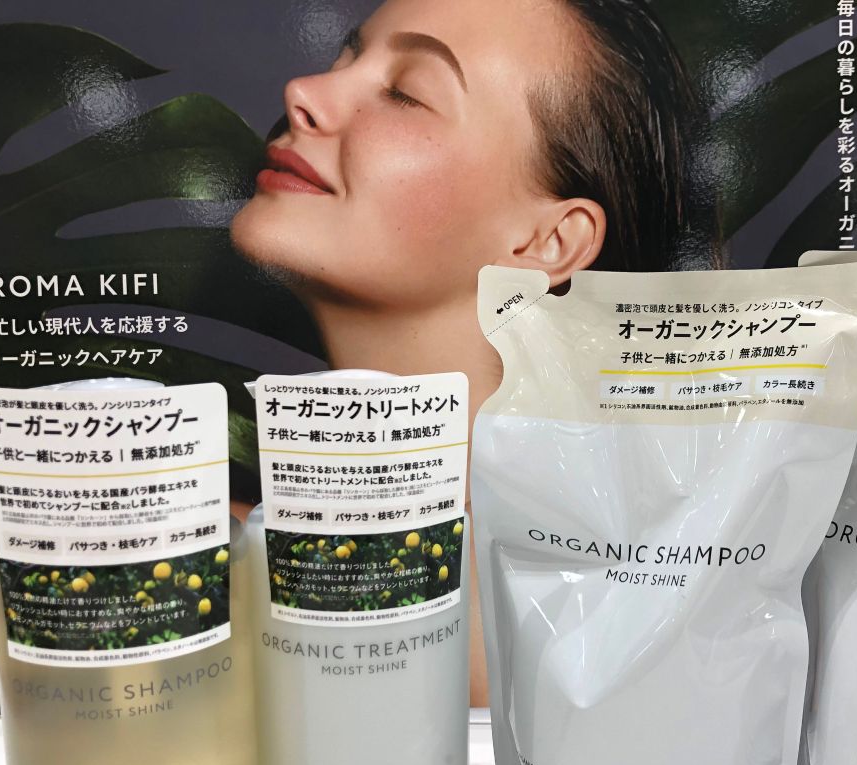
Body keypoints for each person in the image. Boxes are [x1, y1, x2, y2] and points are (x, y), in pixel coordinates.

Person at [231, 0, 713, 704]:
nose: (304, 93)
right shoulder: (221, 553)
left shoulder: (560, 615)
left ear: (548, 242)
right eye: (346, 57)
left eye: (406, 92)